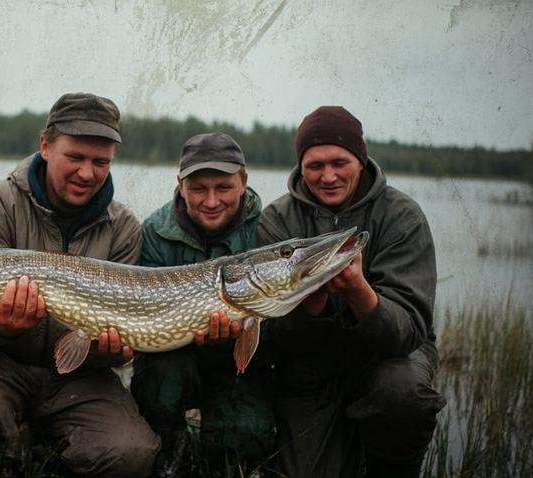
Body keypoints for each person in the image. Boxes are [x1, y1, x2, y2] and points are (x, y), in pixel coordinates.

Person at [0, 92, 160, 477]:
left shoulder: (123, 229)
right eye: (75, 157)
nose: (87, 173)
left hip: (77, 379)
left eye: (100, 162)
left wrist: (111, 352)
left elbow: (110, 344)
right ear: (45, 146)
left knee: (129, 450)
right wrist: (2, 329)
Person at [258, 106, 447, 478]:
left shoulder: (403, 216)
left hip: (387, 359)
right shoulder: (277, 220)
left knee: (402, 393)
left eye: (339, 162)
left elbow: (408, 334)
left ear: (360, 160)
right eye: (314, 165)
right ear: (300, 167)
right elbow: (281, 340)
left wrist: (359, 291)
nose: (327, 176)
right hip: (312, 367)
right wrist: (314, 302)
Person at [130, 132, 276, 476]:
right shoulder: (155, 231)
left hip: (238, 370)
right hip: (173, 359)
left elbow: (280, 328)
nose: (211, 201)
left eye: (223, 187)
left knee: (246, 436)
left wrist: (236, 336)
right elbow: (145, 326)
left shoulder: (268, 230)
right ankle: (170, 458)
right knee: (158, 385)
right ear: (181, 186)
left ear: (243, 182)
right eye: (198, 189)